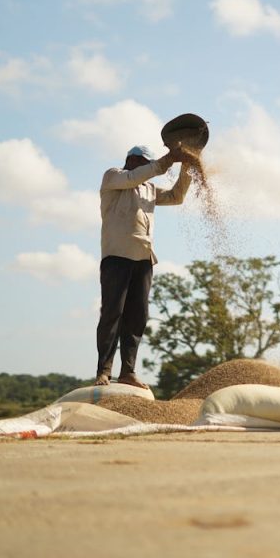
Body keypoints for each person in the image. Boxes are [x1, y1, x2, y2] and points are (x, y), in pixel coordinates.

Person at [94, 144, 191, 388]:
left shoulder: (148, 189)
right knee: (112, 314)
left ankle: (128, 371)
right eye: (146, 164)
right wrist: (167, 160)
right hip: (117, 256)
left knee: (137, 317)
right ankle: (104, 371)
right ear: (133, 160)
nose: (149, 169)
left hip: (143, 259)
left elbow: (176, 197)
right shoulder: (114, 177)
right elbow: (133, 177)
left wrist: (188, 167)